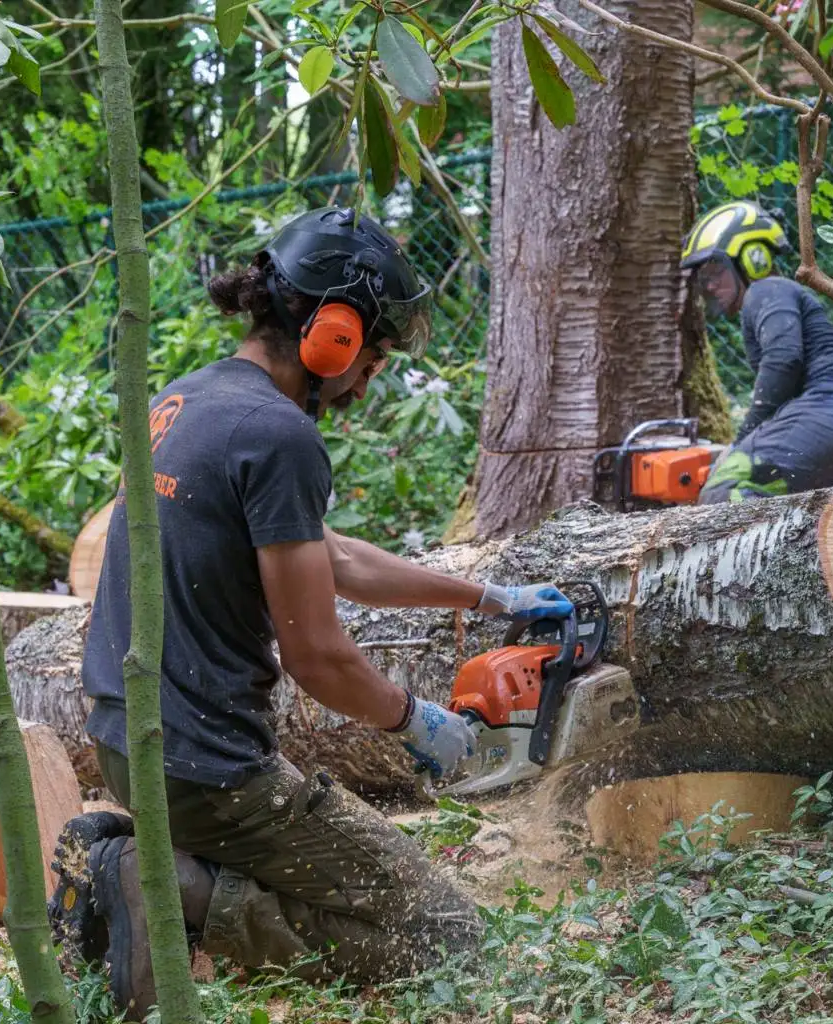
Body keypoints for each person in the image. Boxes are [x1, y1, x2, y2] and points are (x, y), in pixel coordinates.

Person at [53, 206, 573, 1019]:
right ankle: (170, 886)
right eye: (374, 350)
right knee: (446, 937)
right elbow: (318, 658)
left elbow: (335, 558)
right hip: (215, 774)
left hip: (128, 745)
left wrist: (488, 595)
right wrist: (417, 722)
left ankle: (153, 869)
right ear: (330, 330)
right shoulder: (278, 435)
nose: (370, 374)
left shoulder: (188, 402)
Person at [679, 199, 833, 503]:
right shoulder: (770, 300)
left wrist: (741, 443)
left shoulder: (766, 289)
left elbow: (784, 358)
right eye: (704, 278)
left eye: (716, 270)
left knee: (725, 487)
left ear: (753, 258)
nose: (711, 285)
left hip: (832, 415)